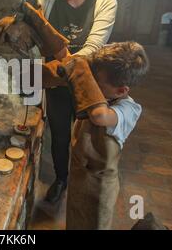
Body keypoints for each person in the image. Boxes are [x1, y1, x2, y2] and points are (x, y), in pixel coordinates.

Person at [37, 0, 118, 203]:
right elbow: (35, 43)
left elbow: (93, 48)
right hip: (57, 86)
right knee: (60, 135)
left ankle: (88, 184)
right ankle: (62, 178)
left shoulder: (105, 3)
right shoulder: (46, 2)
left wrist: (55, 66)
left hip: (89, 82)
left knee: (89, 136)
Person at [51, 42, 149, 229]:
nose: (91, 86)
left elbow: (99, 116)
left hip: (99, 188)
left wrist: (82, 76)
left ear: (121, 90)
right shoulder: (103, 94)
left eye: (96, 83)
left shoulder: (128, 109)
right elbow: (65, 57)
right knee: (74, 222)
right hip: (80, 179)